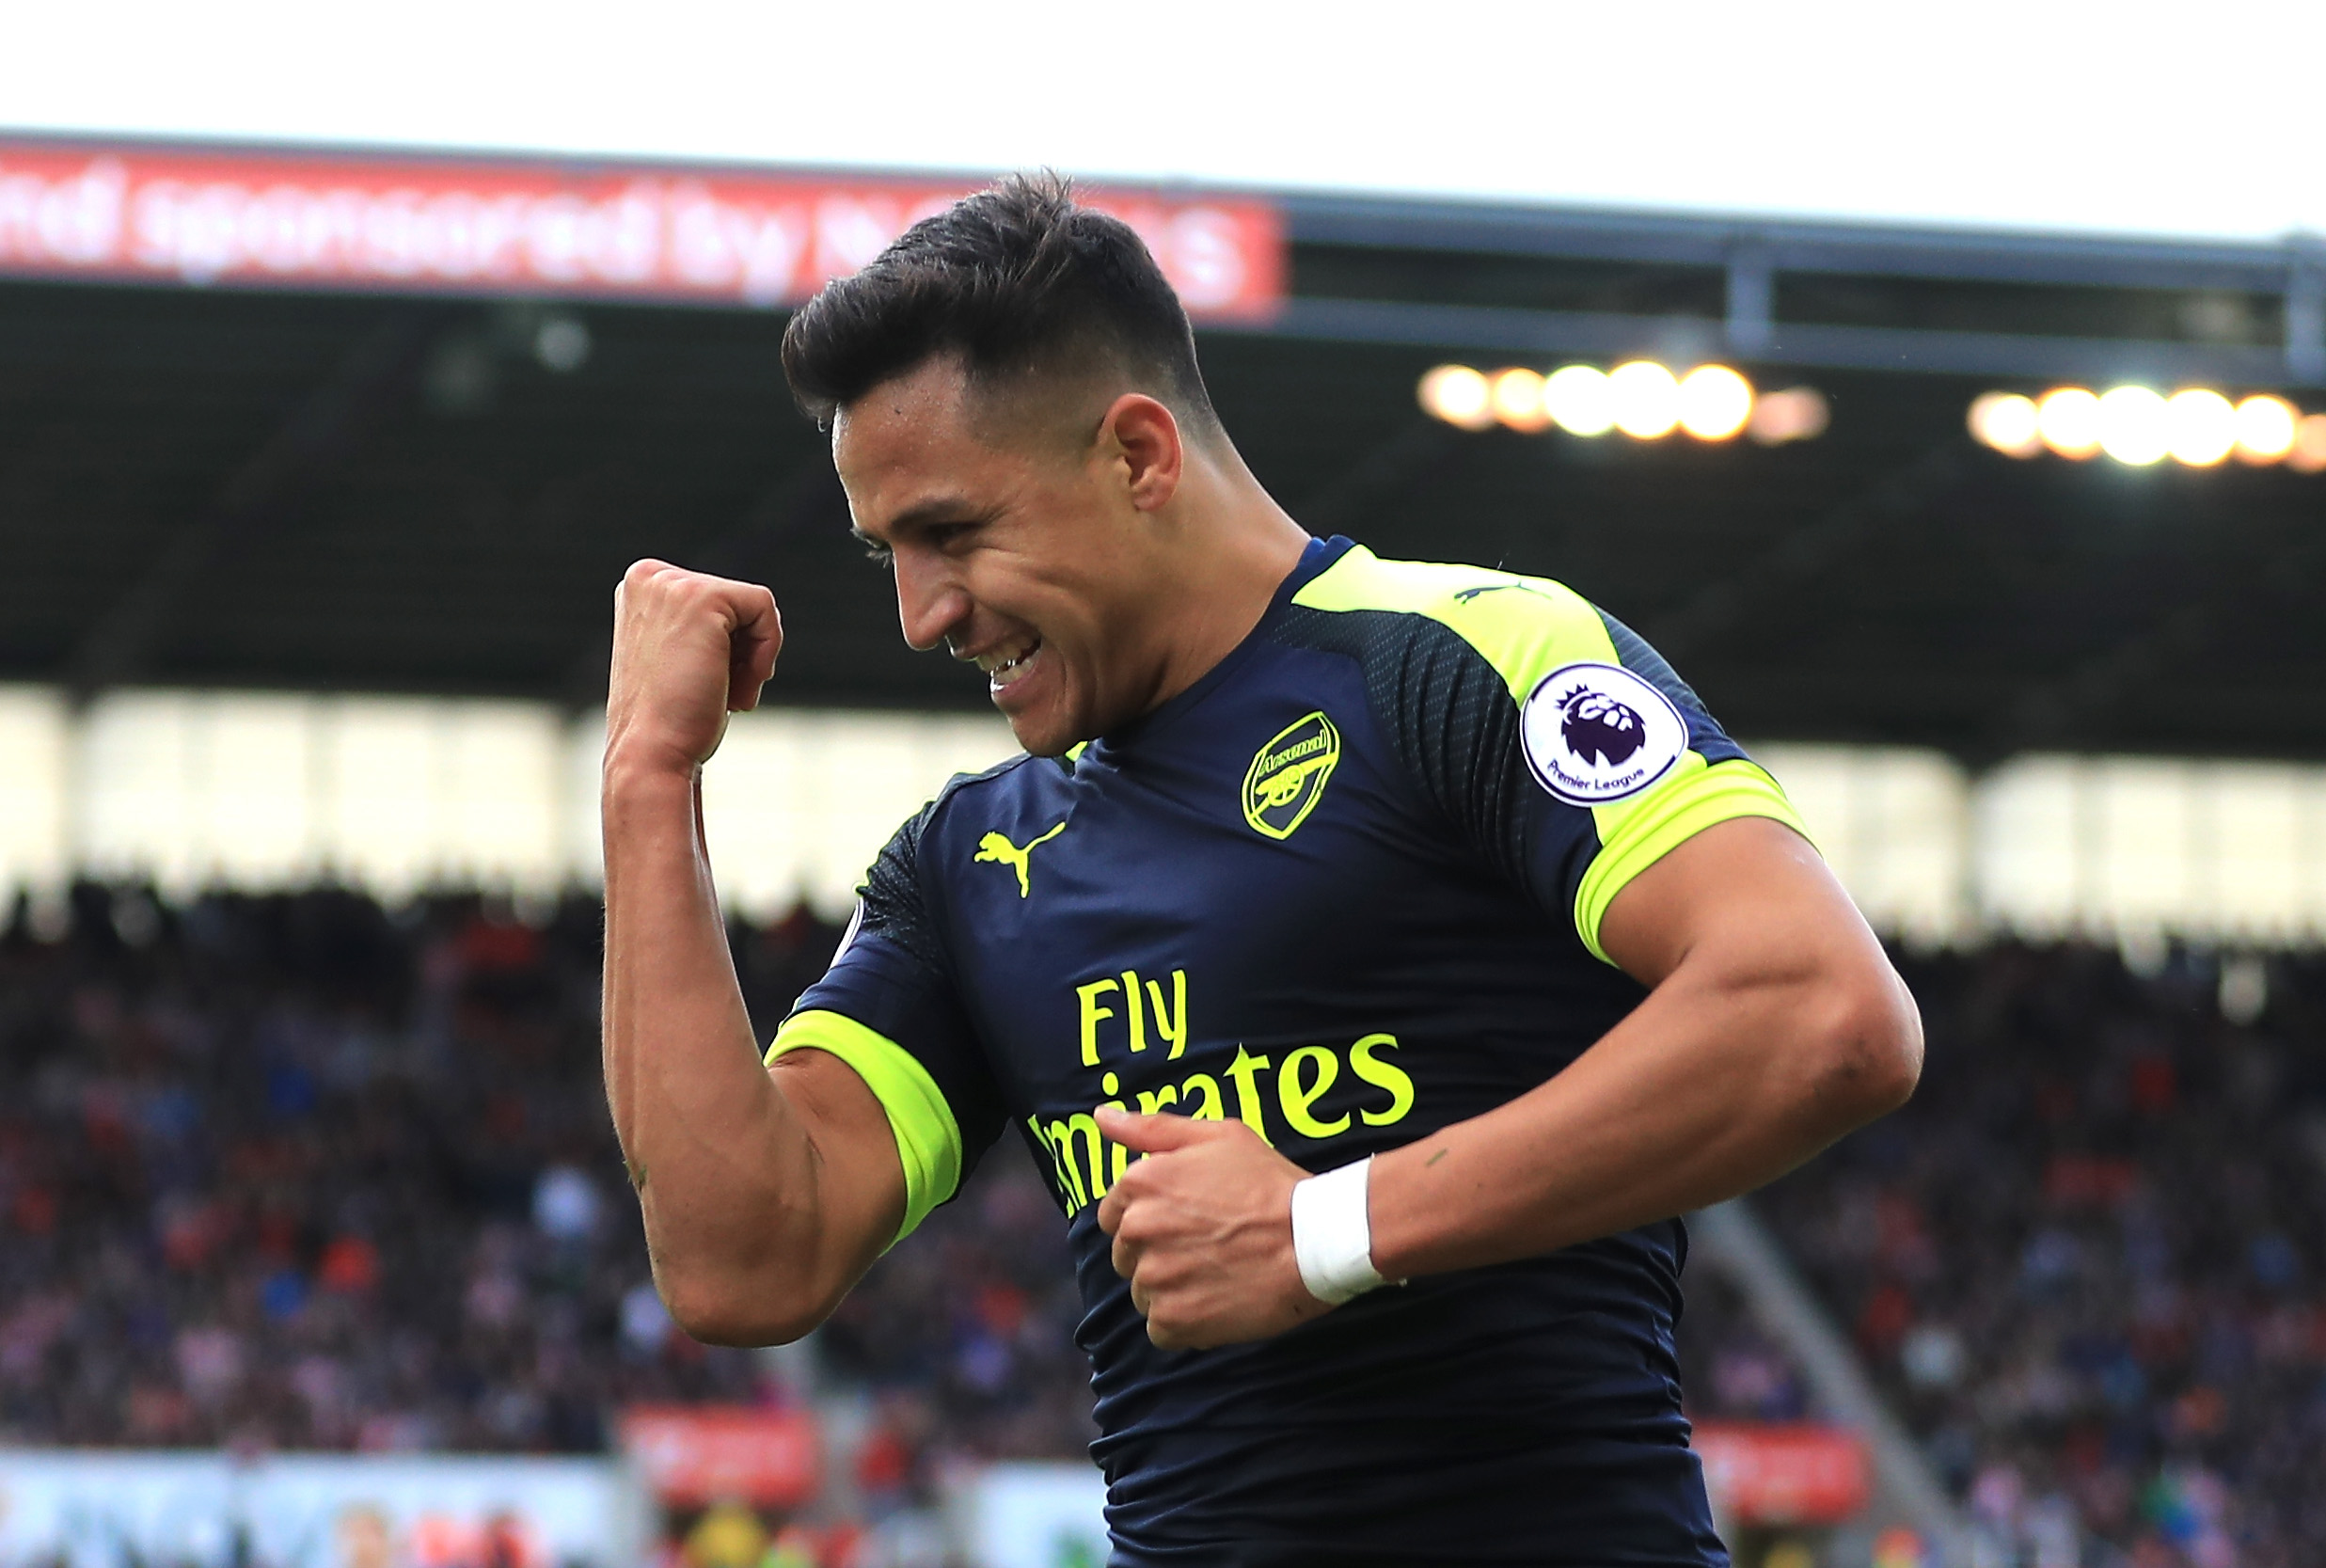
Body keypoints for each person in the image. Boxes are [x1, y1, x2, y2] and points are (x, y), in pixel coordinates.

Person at [599, 174, 1923, 1566]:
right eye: (886, 552)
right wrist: (645, 785)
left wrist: (1322, 1230)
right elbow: (746, 1257)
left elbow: (1821, 1015)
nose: (922, 616)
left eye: (952, 532)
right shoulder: (971, 865)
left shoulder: (1459, 666)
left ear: (1137, 455)